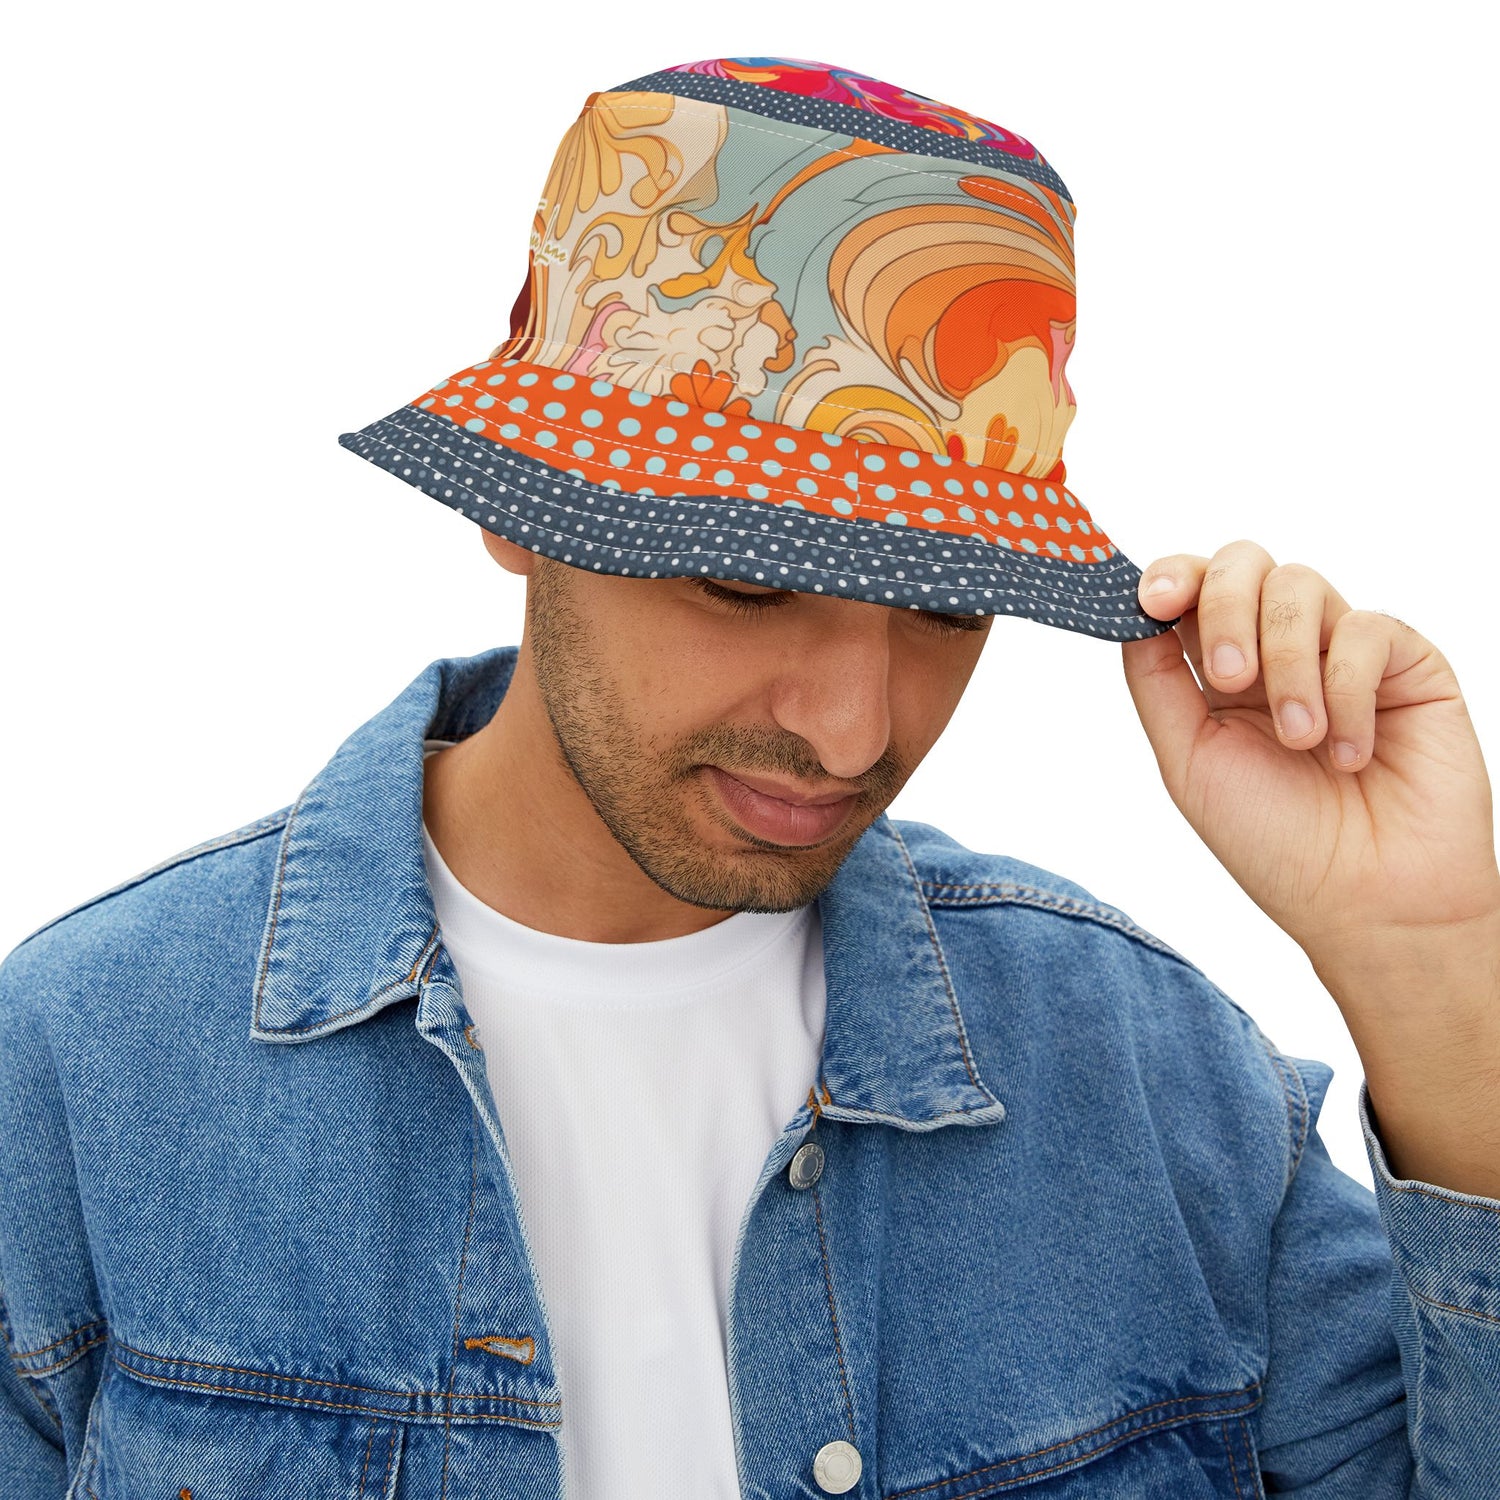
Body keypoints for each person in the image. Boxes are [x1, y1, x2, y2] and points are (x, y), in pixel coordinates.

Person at [2, 54, 1496, 1499]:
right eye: (746, 581)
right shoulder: (85, 1071)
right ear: (521, 511)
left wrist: (1431, 974)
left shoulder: (1151, 1078)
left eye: (945, 606)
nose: (855, 733)